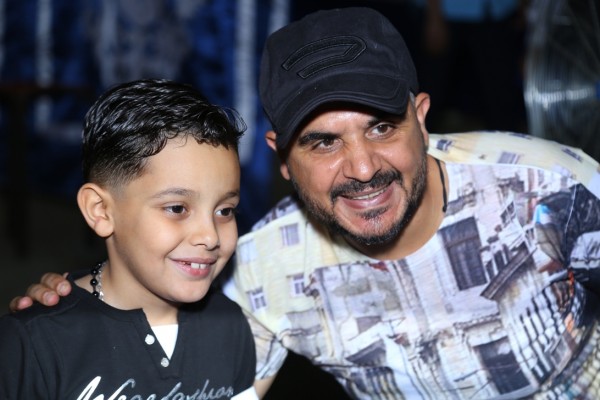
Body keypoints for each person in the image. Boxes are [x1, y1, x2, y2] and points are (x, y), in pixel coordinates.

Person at [10, 8, 600, 399]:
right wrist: (66, 305)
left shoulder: (548, 184)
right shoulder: (261, 270)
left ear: (421, 119)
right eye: (323, 142)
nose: (363, 168)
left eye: (381, 127)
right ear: (283, 159)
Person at [1, 79, 258, 399]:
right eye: (177, 208)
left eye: (225, 210)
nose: (210, 236)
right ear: (101, 211)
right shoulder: (34, 345)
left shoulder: (231, 325)